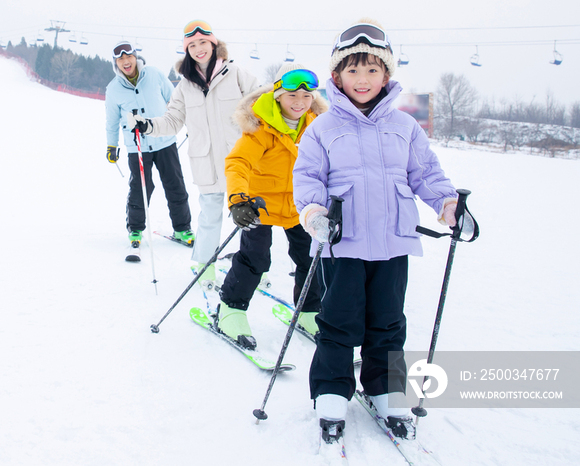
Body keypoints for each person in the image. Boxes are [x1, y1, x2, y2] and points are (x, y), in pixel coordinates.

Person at [292, 19, 460, 444]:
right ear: (336, 76)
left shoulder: (404, 126)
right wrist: (313, 212)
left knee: (388, 322)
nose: (362, 79)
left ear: (386, 75)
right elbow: (307, 178)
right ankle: (331, 389)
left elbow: (425, 172)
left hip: (392, 243)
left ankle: (386, 387)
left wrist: (447, 203)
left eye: (372, 70)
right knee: (338, 321)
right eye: (353, 70)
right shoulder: (322, 128)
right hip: (342, 244)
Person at [128, 20, 259, 283]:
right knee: (210, 216)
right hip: (206, 162)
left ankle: (254, 267)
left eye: (203, 43)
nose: (199, 49)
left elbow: (261, 108)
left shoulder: (237, 75)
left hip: (241, 162)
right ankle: (205, 266)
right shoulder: (185, 86)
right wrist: (148, 125)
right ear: (186, 50)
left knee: (250, 218)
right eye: (192, 45)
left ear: (214, 44)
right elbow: (173, 120)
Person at [216, 64, 329, 349]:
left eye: (307, 96)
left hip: (300, 206)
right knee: (255, 258)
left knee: (310, 258)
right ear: (278, 94)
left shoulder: (318, 126)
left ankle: (309, 311)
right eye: (293, 94)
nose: (300, 102)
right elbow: (238, 163)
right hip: (259, 205)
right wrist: (238, 200)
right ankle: (231, 309)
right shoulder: (261, 128)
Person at [105, 40, 194, 247]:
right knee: (141, 187)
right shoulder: (113, 89)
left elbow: (175, 103)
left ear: (136, 57)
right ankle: (135, 230)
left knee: (175, 184)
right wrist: (112, 145)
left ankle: (182, 229)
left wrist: (189, 124)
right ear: (116, 63)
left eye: (129, 57)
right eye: (121, 59)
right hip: (137, 147)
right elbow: (112, 121)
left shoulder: (154, 74)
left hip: (164, 141)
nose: (126, 62)